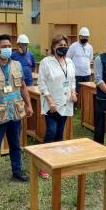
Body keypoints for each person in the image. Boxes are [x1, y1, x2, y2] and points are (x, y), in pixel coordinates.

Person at [0, 34, 34, 192]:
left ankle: (17, 171)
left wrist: (29, 105)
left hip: (15, 112)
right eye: (3, 47)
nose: (7, 49)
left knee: (16, 144)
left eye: (9, 46)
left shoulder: (17, 65)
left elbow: (23, 87)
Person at [37, 34, 77, 178]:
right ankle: (42, 164)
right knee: (51, 132)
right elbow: (41, 83)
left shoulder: (70, 62)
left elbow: (72, 80)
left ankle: (56, 162)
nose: (63, 48)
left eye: (65, 45)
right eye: (60, 45)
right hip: (52, 105)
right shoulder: (46, 62)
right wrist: (50, 100)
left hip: (66, 103)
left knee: (60, 133)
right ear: (53, 47)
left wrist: (73, 92)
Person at [66, 27, 93, 104]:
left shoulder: (90, 47)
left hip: (87, 73)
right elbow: (68, 58)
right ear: (79, 36)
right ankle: (74, 106)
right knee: (75, 90)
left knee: (86, 91)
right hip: (76, 74)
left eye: (86, 37)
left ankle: (84, 106)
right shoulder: (73, 46)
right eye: (83, 37)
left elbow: (90, 59)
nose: (85, 38)